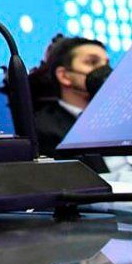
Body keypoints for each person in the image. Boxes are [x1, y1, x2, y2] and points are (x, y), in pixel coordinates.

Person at [31, 34, 110, 171]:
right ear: (64, 76)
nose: (106, 71)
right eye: (92, 62)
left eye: (107, 64)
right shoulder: (44, 129)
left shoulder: (123, 117)